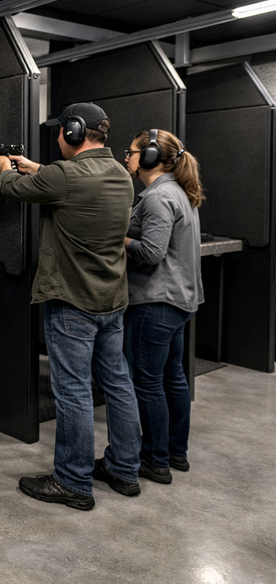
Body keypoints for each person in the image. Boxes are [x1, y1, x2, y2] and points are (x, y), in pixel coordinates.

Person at [0, 102, 142, 510]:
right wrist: (38, 167)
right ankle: (125, 470)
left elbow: (11, 189)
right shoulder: (121, 175)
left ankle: (73, 482)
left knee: (73, 392)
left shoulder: (64, 176)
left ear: (74, 132)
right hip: (112, 301)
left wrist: (5, 166)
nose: (58, 136)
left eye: (61, 131)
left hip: (72, 301)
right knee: (118, 384)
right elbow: (69, 183)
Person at [121, 128, 204, 485]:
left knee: (147, 382)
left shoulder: (157, 198)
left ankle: (154, 460)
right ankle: (174, 452)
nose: (127, 157)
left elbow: (151, 252)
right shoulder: (176, 192)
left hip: (156, 301)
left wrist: (118, 238)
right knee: (172, 378)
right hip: (178, 301)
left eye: (132, 152)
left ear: (151, 158)